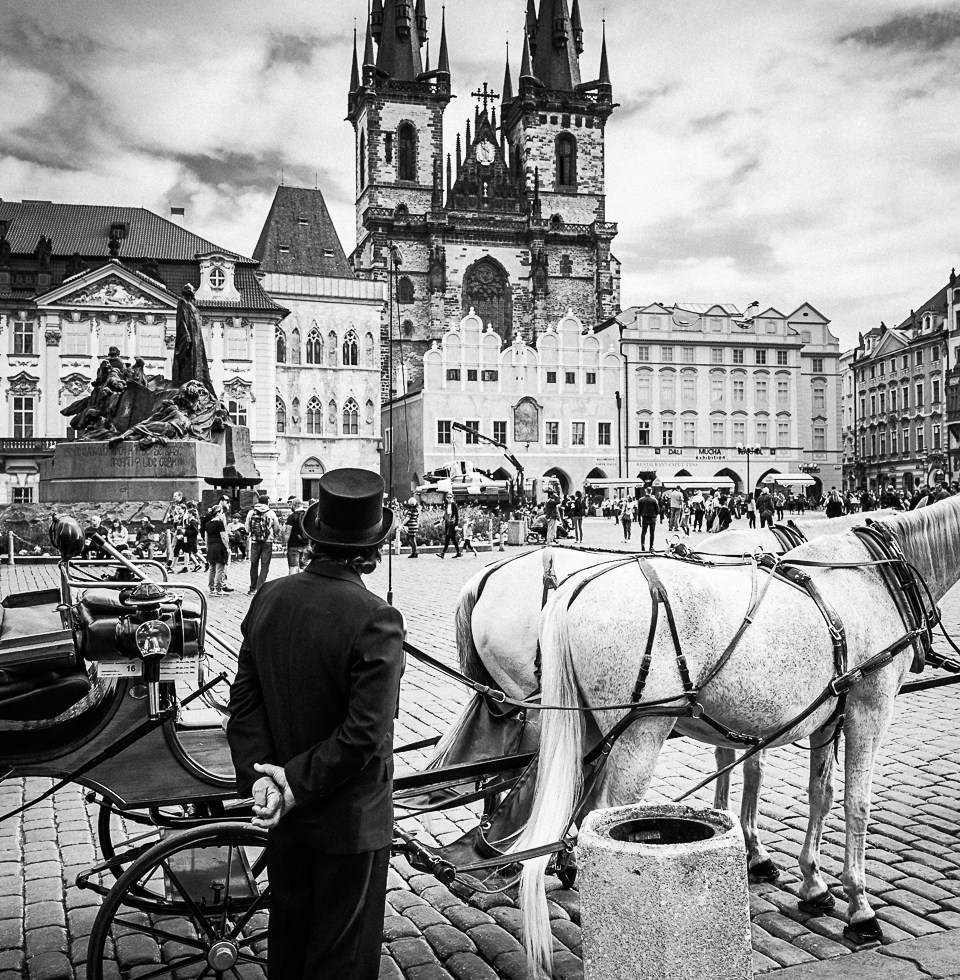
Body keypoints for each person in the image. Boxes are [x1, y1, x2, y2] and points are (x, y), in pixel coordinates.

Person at [227, 468, 403, 980]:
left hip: (284, 817)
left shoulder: (270, 596)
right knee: (340, 959)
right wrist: (293, 783)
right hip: (348, 820)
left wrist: (262, 777)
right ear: (371, 553)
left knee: (290, 940)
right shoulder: (377, 618)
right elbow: (364, 734)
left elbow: (245, 701)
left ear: (315, 537)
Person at [246, 495, 281, 594]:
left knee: (254, 565)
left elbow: (247, 529)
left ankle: (252, 588)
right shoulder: (271, 513)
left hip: (254, 541)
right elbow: (277, 528)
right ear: (267, 502)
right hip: (267, 541)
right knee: (265, 565)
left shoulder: (251, 512)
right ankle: (259, 587)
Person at [205, 502, 230, 595]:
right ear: (218, 513)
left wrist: (207, 547)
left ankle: (211, 588)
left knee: (212, 568)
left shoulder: (208, 524)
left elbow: (206, 537)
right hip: (219, 546)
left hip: (211, 546)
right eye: (221, 512)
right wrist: (227, 548)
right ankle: (218, 588)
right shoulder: (219, 523)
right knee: (220, 568)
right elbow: (223, 537)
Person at [283, 499, 309, 574]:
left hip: (293, 545)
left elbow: (287, 532)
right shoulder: (307, 516)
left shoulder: (292, 517)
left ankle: (292, 581)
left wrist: (284, 544)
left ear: (294, 505)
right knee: (304, 568)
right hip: (305, 545)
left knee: (293, 568)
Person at [438, 492, 461, 558]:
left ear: (452, 498)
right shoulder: (446, 505)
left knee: (448, 537)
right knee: (453, 538)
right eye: (448, 497)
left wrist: (456, 525)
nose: (449, 499)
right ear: (446, 498)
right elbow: (445, 514)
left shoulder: (454, 505)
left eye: (450, 497)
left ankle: (443, 553)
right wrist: (441, 520)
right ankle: (458, 552)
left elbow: (457, 516)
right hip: (447, 523)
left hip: (452, 524)